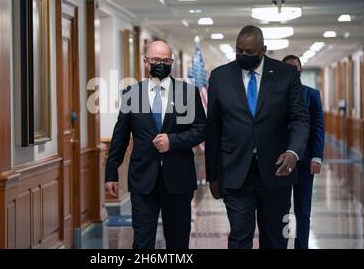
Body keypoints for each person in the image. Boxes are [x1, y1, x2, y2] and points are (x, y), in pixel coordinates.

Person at [205, 25, 310, 249]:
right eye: (239, 51)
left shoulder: (286, 74)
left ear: (263, 50)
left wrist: (293, 151)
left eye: (249, 52)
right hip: (235, 171)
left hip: (276, 169)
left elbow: (300, 118)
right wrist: (212, 176)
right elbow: (213, 128)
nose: (243, 55)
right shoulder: (220, 76)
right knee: (240, 236)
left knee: (275, 239)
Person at [105, 41, 206, 249]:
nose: (161, 64)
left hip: (178, 180)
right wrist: (111, 172)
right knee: (142, 242)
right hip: (143, 180)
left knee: (178, 243)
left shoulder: (187, 92)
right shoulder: (131, 94)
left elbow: (201, 130)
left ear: (172, 62)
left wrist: (173, 141)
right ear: (145, 62)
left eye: (166, 60)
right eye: (156, 60)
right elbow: (120, 136)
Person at [283, 54, 325, 249]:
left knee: (302, 211)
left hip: (305, 162)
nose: (293, 71)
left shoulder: (312, 95)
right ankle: (281, 244)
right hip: (280, 163)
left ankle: (301, 246)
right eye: (288, 68)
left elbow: (318, 128)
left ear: (301, 70)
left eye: (296, 67)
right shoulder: (273, 95)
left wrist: (317, 157)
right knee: (281, 210)